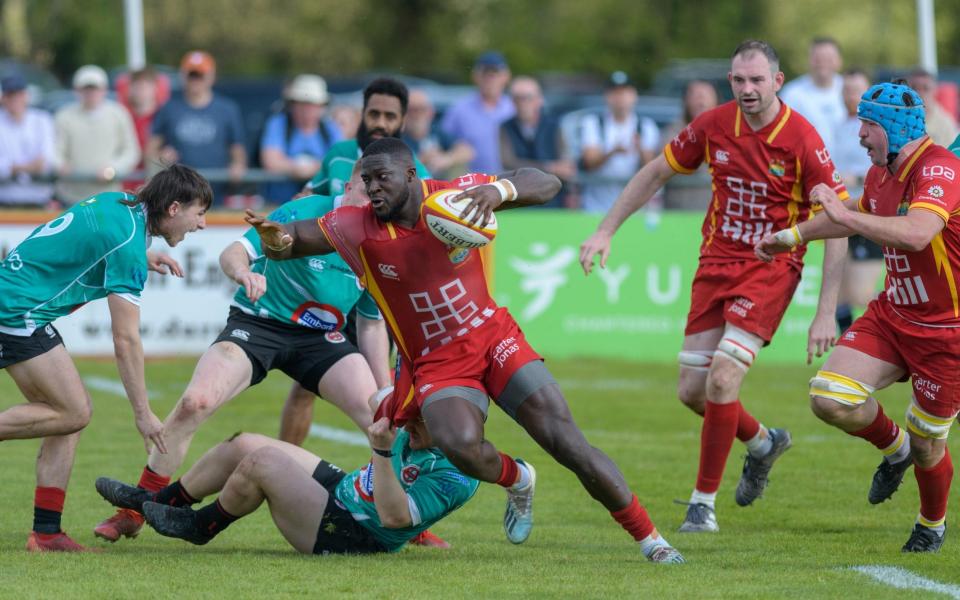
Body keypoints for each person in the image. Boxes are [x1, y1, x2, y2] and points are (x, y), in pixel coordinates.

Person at [247, 137, 686, 563]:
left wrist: (497, 190)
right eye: (366, 179)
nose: (373, 188)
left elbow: (546, 183)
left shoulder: (453, 199)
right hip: (435, 360)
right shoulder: (355, 225)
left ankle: (651, 539)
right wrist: (274, 237)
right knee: (458, 444)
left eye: (381, 178)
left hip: (491, 335)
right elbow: (292, 241)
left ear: (410, 174)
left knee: (566, 441)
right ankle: (517, 478)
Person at [579, 40, 848, 533]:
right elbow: (657, 171)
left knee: (723, 378)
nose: (747, 89)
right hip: (716, 264)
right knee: (693, 391)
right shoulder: (713, 125)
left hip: (771, 268)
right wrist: (605, 229)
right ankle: (765, 442)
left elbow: (839, 221)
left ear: (778, 81)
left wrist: (826, 309)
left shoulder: (803, 139)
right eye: (738, 80)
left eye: (757, 80)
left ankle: (703, 505)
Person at [93, 165, 395, 545]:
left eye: (377, 199)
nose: (370, 204)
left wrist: (385, 389)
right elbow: (233, 252)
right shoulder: (303, 211)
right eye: (364, 194)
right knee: (195, 402)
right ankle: (132, 513)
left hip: (322, 337)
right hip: (260, 323)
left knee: (381, 417)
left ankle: (404, 516)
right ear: (348, 186)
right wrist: (244, 275)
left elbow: (370, 323)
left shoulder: (379, 235)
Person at [756, 81, 960, 552]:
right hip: (894, 314)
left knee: (930, 441)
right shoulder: (880, 173)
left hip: (946, 331)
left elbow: (915, 233)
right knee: (829, 398)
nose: (860, 134)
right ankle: (895, 451)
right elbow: (850, 212)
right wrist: (791, 237)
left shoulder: (940, 169)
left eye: (868, 125)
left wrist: (845, 219)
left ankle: (931, 524)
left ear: (892, 127)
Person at [0, 164, 211, 551]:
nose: (201, 225)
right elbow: (125, 340)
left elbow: (86, 240)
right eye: (200, 214)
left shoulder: (121, 202)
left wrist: (142, 258)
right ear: (176, 208)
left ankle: (46, 533)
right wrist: (143, 411)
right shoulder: (128, 244)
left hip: (15, 304)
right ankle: (46, 533)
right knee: (74, 413)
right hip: (15, 314)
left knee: (67, 417)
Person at [94, 389, 477, 554]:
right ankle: (155, 501)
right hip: (346, 491)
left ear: (448, 424)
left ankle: (200, 527)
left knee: (263, 463)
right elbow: (380, 398)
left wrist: (382, 450)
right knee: (246, 443)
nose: (407, 425)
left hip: (358, 534)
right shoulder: (423, 426)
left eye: (418, 422)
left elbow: (393, 518)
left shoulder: (457, 474)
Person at [148, 51, 246, 203]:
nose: (195, 80)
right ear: (183, 76)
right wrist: (161, 158)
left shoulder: (227, 109)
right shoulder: (169, 108)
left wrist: (238, 165)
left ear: (212, 77)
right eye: (191, 75)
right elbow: (151, 149)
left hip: (215, 193)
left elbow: (237, 148)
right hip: (177, 193)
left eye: (200, 75)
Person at [305, 77, 430, 196]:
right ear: (362, 114)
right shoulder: (339, 154)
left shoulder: (415, 172)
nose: (380, 123)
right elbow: (307, 195)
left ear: (402, 123)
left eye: (390, 117)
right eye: (374, 114)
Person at [832, 69, 883, 332]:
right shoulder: (841, 125)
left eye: (855, 90)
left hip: (868, 216)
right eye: (845, 90)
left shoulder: (876, 128)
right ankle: (846, 350)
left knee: (861, 295)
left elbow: (889, 165)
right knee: (837, 295)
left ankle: (913, 313)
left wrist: (856, 177)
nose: (848, 96)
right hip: (842, 218)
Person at [55, 65, 140, 204]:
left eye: (95, 88)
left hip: (109, 196)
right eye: (86, 89)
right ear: (77, 90)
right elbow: (55, 150)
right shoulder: (64, 116)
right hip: (70, 196)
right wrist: (61, 165)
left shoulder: (118, 114)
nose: (91, 93)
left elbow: (131, 151)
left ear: (104, 89)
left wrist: (113, 168)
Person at [578, 71, 661, 214]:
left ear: (634, 95)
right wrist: (613, 152)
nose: (620, 98)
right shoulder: (593, 123)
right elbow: (590, 162)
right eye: (615, 92)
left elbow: (651, 168)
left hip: (634, 210)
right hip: (596, 207)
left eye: (624, 92)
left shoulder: (646, 126)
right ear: (607, 96)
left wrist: (640, 148)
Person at [260, 74, 342, 203]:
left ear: (322, 106)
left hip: (318, 208)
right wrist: (298, 169)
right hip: (279, 205)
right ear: (292, 104)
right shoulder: (277, 124)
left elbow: (338, 162)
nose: (307, 109)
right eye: (301, 103)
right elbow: (270, 161)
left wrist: (309, 169)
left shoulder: (331, 129)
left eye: (312, 104)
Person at [499, 76, 576, 208]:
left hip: (552, 199)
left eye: (527, 97)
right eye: (517, 98)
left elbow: (566, 163)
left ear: (539, 100)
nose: (522, 103)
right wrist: (550, 168)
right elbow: (508, 163)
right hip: (519, 201)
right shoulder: (505, 127)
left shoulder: (554, 125)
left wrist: (572, 193)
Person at [441, 51, 515, 173]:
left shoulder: (513, 108)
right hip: (472, 185)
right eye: (485, 74)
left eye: (494, 74)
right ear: (475, 76)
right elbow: (443, 140)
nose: (490, 79)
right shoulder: (459, 109)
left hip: (510, 183)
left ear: (506, 77)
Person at [780, 37, 846, 154]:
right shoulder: (792, 93)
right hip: (805, 168)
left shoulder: (851, 90)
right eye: (818, 58)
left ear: (839, 61)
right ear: (809, 60)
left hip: (848, 170)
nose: (823, 63)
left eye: (828, 58)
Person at [662, 80, 719, 211]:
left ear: (716, 100)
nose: (701, 100)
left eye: (706, 95)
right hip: (678, 211)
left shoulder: (728, 132)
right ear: (685, 101)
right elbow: (665, 162)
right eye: (695, 95)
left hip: (714, 213)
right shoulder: (672, 131)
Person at [0, 74, 57, 207]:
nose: (15, 99)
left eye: (18, 94)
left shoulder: (42, 120)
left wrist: (12, 168)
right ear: (3, 98)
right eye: (10, 95)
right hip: (5, 202)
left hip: (38, 200)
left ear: (26, 96)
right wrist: (31, 166)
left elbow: (47, 161)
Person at [402, 89, 474, 180]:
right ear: (403, 113)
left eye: (422, 109)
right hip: (414, 187)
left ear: (431, 112)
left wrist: (446, 159)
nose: (418, 114)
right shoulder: (399, 137)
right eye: (412, 110)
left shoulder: (436, 132)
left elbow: (467, 151)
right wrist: (421, 160)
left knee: (459, 166)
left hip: (441, 187)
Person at [907, 68, 959, 147]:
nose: (919, 93)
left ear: (935, 90)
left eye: (925, 88)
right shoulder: (896, 118)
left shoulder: (946, 124)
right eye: (914, 88)